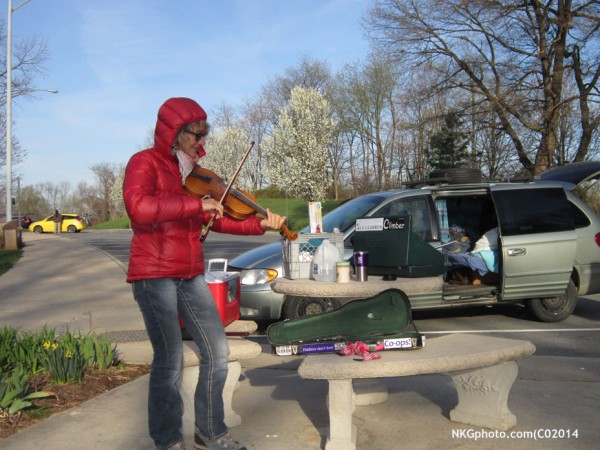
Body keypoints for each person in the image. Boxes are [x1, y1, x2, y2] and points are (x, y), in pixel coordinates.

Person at [123, 97, 286, 450]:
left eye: (202, 135)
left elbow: (220, 217)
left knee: (217, 350)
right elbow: (139, 208)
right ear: (177, 133)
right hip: (153, 274)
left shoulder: (192, 175)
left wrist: (260, 224)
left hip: (189, 273)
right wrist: (195, 203)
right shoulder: (144, 163)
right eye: (196, 135)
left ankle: (210, 431)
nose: (201, 143)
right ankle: (167, 440)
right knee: (169, 360)